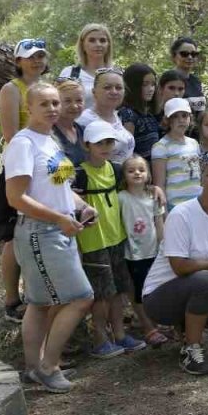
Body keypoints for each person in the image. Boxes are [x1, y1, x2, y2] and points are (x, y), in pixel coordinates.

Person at [4, 82, 95, 393]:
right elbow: (16, 198)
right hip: (39, 232)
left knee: (40, 303)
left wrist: (82, 208)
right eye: (45, 104)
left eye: (56, 103)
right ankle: (48, 366)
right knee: (82, 298)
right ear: (29, 108)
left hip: (59, 228)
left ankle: (34, 368)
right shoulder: (23, 143)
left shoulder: (50, 141)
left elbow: (60, 188)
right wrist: (59, 219)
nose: (53, 108)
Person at [142, 150, 208, 376]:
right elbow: (179, 267)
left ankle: (187, 327)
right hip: (159, 296)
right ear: (201, 178)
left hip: (198, 287)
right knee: (207, 280)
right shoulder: (182, 214)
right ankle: (191, 349)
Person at [74, 121, 147, 358]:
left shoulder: (116, 170)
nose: (105, 147)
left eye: (109, 142)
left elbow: (136, 190)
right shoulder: (80, 173)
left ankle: (120, 334)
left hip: (117, 238)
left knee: (118, 291)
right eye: (99, 143)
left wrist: (156, 190)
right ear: (87, 145)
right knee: (102, 294)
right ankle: (99, 339)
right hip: (93, 241)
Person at [117, 154, 169, 348]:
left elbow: (159, 223)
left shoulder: (153, 196)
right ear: (124, 176)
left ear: (148, 174)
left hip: (154, 252)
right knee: (139, 292)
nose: (137, 173)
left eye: (141, 170)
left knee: (156, 288)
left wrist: (164, 247)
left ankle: (158, 321)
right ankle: (148, 328)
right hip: (134, 255)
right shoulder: (121, 198)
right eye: (131, 171)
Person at [78, 68, 137, 170]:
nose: (114, 92)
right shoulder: (83, 120)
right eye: (107, 87)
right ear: (94, 91)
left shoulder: (117, 116)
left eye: (118, 88)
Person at [153, 98, 201, 208]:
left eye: (184, 115)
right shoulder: (161, 146)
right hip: (175, 205)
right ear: (167, 120)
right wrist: (163, 212)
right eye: (175, 116)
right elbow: (159, 184)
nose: (181, 120)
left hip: (197, 202)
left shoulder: (194, 143)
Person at [60, 24, 113, 109]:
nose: (98, 44)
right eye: (92, 40)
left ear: (108, 45)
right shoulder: (69, 73)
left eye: (102, 40)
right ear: (82, 45)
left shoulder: (117, 75)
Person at [119, 63, 160, 163]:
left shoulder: (149, 114)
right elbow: (127, 151)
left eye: (153, 84)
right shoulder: (128, 114)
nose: (151, 89)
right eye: (145, 84)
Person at [52, 78, 89, 169]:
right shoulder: (48, 133)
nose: (74, 106)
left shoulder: (84, 131)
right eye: (67, 101)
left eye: (79, 100)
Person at [168, 37, 207, 120]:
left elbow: (201, 112)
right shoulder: (167, 80)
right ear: (174, 57)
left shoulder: (196, 81)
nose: (190, 57)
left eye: (193, 54)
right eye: (184, 54)